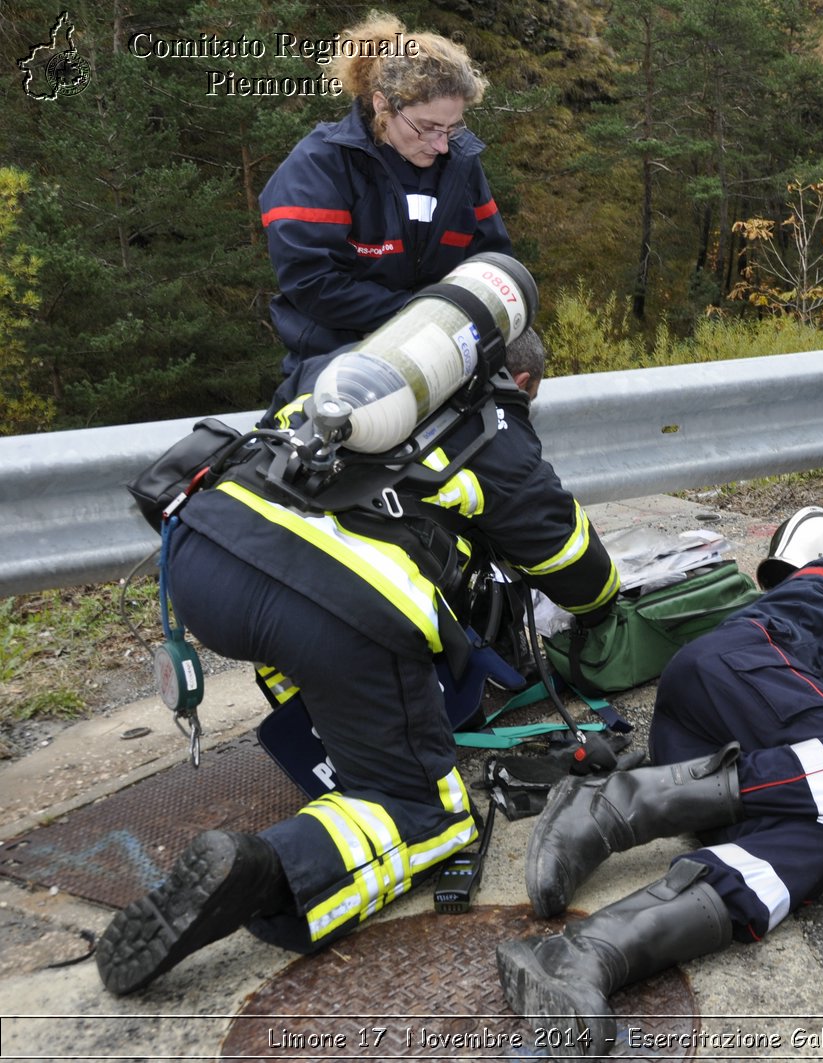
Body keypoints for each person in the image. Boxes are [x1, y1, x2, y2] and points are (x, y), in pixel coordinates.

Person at [95, 324, 619, 995]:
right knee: (428, 811)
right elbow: (576, 565)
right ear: (521, 382)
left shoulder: (348, 368)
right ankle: (268, 868)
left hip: (202, 554)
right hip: (325, 607)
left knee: (320, 646)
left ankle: (338, 730)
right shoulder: (490, 430)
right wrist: (604, 607)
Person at [496, 506, 823, 1053]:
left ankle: (585, 954)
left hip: (705, 739)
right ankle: (620, 803)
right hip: (739, 672)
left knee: (806, 849)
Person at [258, 12, 513, 374]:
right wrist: (426, 314)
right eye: (427, 128)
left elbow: (493, 262)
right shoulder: (321, 164)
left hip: (444, 361)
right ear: (382, 105)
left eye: (452, 128)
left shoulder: (460, 164)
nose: (441, 145)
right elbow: (314, 284)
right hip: (337, 363)